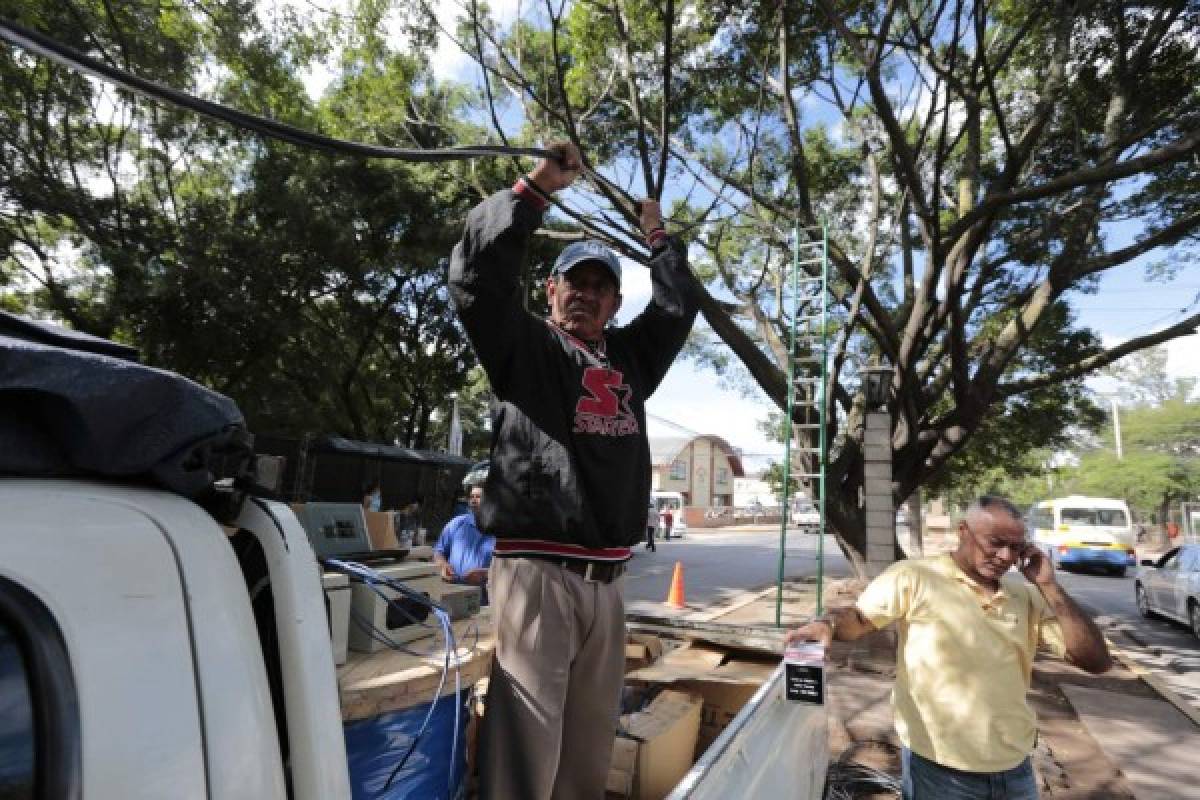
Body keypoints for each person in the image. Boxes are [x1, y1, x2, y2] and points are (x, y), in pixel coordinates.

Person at [448, 140, 698, 799]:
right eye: (574, 283)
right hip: (539, 577)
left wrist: (657, 234)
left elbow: (677, 306)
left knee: (586, 756)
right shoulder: (525, 349)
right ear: (550, 289)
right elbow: (475, 279)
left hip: (608, 582)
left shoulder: (630, 363)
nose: (586, 295)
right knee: (526, 760)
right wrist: (536, 189)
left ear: (615, 303)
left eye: (600, 287)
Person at [787, 495, 1111, 800]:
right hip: (939, 765)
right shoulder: (915, 577)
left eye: (1016, 548)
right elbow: (859, 618)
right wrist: (827, 624)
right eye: (995, 544)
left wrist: (1049, 587)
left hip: (1015, 765)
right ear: (963, 532)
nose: (1006, 557)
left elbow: (1095, 661)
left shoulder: (1025, 596)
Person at [433, 485, 494, 588]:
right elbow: (438, 551)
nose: (474, 500)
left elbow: (508, 567)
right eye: (472, 497)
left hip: (484, 593)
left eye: (478, 497)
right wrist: (443, 565)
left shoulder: (500, 530)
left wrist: (486, 573)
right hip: (452, 587)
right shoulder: (457, 523)